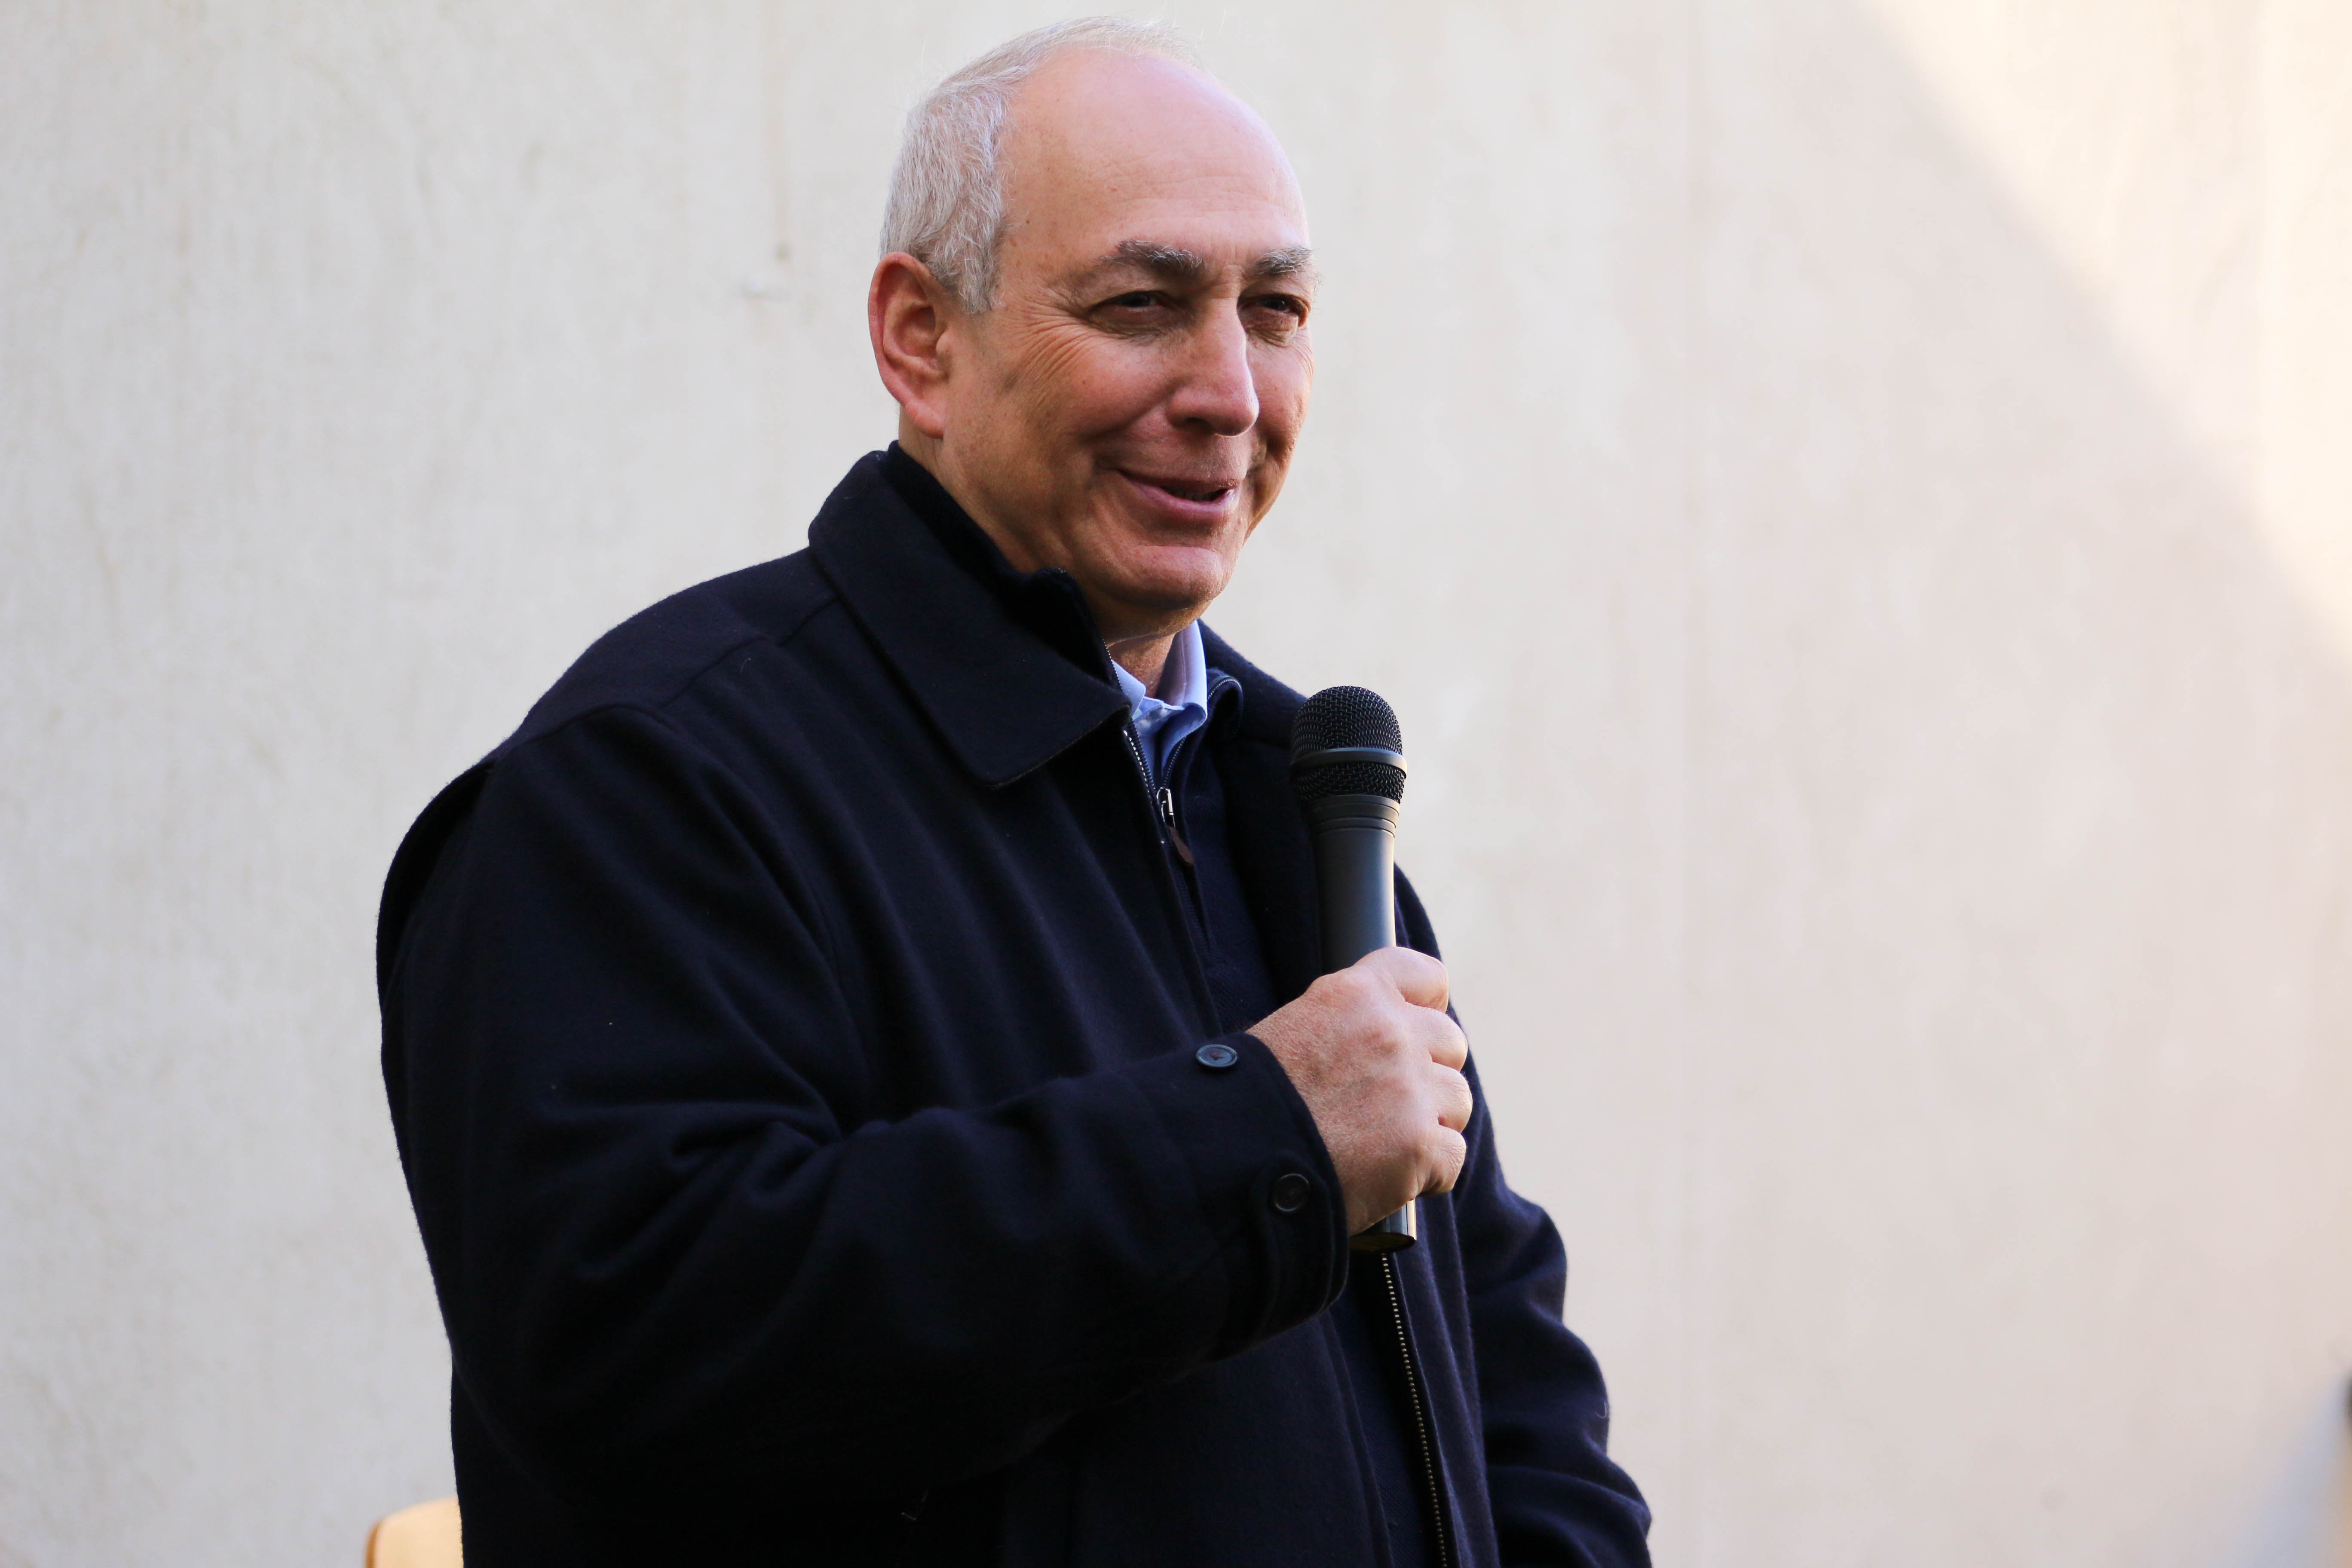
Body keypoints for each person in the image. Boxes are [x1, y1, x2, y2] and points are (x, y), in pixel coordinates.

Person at [377, 18, 1650, 1567]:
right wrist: (1256, 1142)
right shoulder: (648, 783)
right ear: (921, 339)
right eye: (1142, 305)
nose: (1231, 392)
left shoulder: (1298, 803)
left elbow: (1512, 1412)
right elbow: (637, 1355)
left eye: (1277, 311)